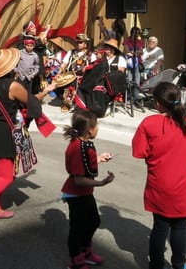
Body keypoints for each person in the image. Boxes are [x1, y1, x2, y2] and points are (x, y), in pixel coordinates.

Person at [0, 47, 56, 226]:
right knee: (6, 176)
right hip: (3, 133)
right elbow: (31, 101)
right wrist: (49, 89)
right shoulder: (13, 86)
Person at [132, 82, 186, 269]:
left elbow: (139, 152)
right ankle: (179, 264)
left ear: (158, 104)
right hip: (183, 187)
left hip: (158, 185)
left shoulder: (149, 123)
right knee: (180, 228)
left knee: (159, 228)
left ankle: (157, 265)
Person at [62, 109, 115, 269]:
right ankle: (76, 261)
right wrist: (101, 183)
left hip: (84, 193)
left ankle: (86, 251)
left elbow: (84, 166)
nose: (98, 128)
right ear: (90, 130)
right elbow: (78, 180)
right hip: (76, 194)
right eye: (97, 125)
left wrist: (98, 159)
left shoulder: (81, 144)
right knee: (77, 229)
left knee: (93, 221)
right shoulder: (78, 148)